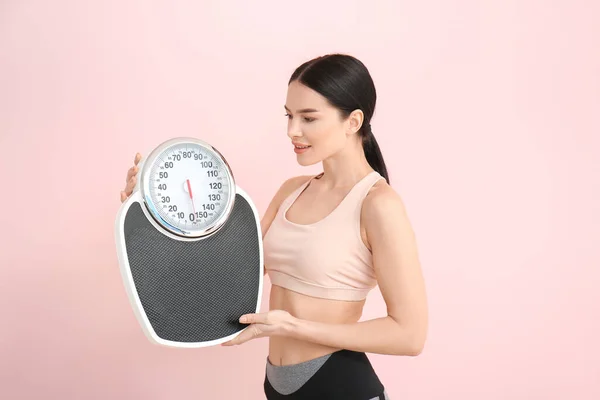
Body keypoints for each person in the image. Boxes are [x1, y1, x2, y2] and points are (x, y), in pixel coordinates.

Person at [120, 53, 428, 399]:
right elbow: (224, 279)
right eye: (289, 115)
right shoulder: (292, 191)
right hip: (277, 386)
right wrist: (150, 208)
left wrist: (293, 326)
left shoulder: (378, 204)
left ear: (353, 121)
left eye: (308, 118)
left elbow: (410, 335)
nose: (291, 131)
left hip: (341, 386)